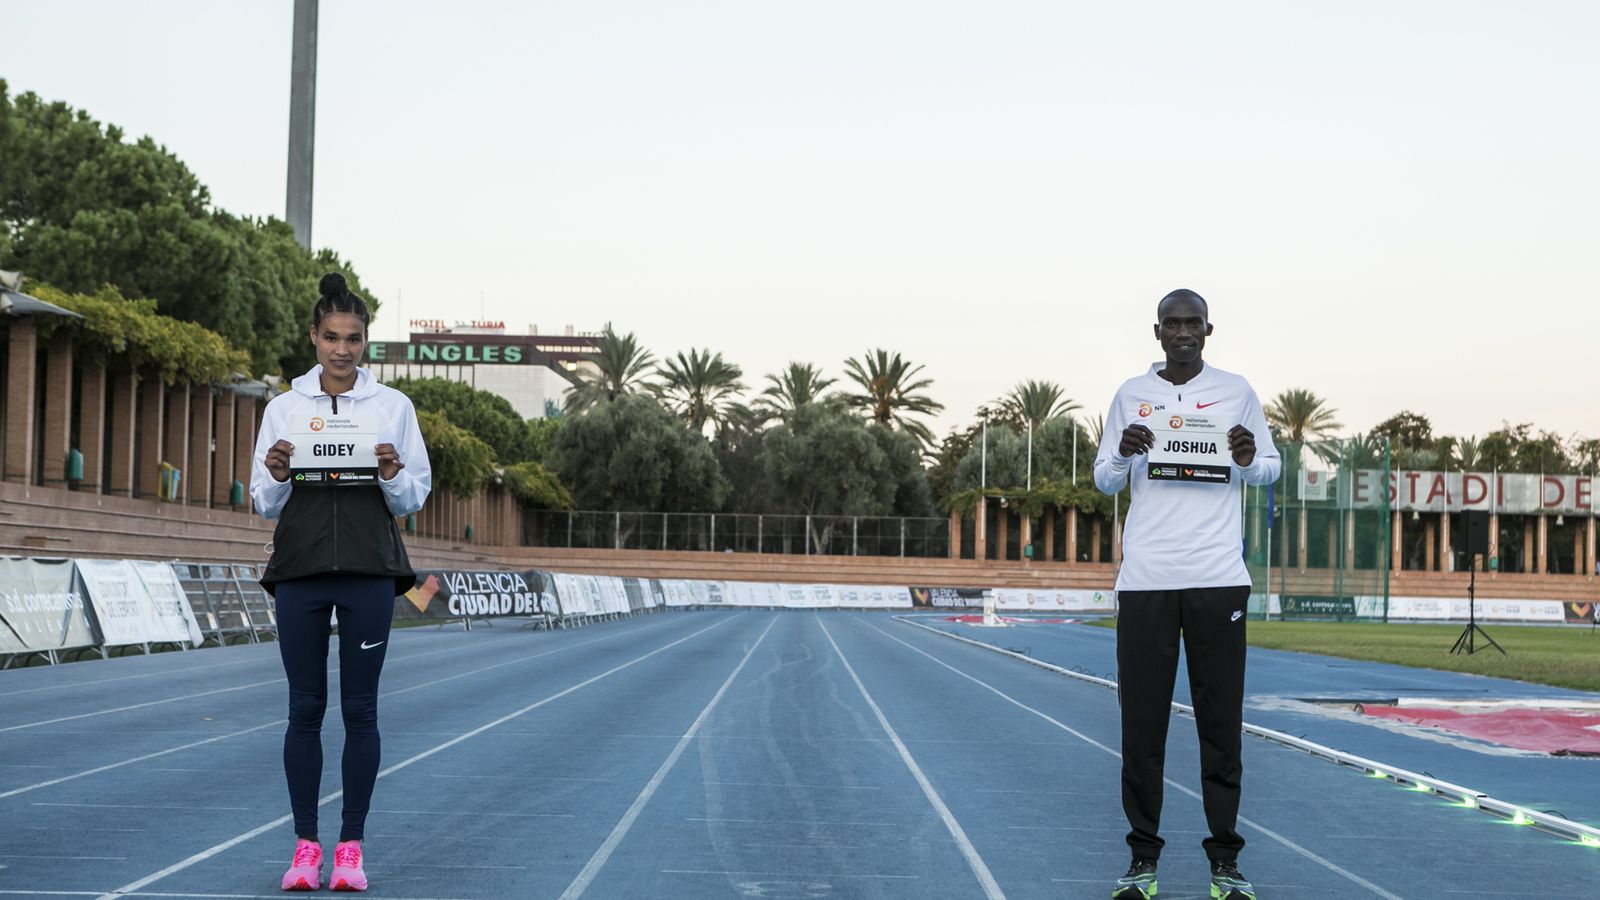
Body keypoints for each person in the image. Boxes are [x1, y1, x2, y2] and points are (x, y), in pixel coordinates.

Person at [1093, 289, 1281, 900]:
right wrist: (1122, 454)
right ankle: (1141, 860)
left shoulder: (1237, 391)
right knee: (1141, 728)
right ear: (1157, 332)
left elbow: (1270, 467)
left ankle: (1225, 863)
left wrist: (1248, 459)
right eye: (1171, 324)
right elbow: (1103, 479)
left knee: (1220, 727)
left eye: (1191, 323)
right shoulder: (1130, 394)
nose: (1182, 332)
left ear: (1208, 329)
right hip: (1146, 579)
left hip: (1218, 577)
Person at [251, 273, 432, 892]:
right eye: (332, 337)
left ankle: (350, 848)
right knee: (304, 709)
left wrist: (392, 473)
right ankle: (306, 848)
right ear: (314, 337)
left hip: (368, 571)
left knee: (360, 709)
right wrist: (278, 474)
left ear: (365, 343)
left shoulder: (394, 407)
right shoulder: (283, 408)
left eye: (353, 339)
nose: (342, 350)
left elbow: (414, 495)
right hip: (300, 570)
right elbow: (263, 502)